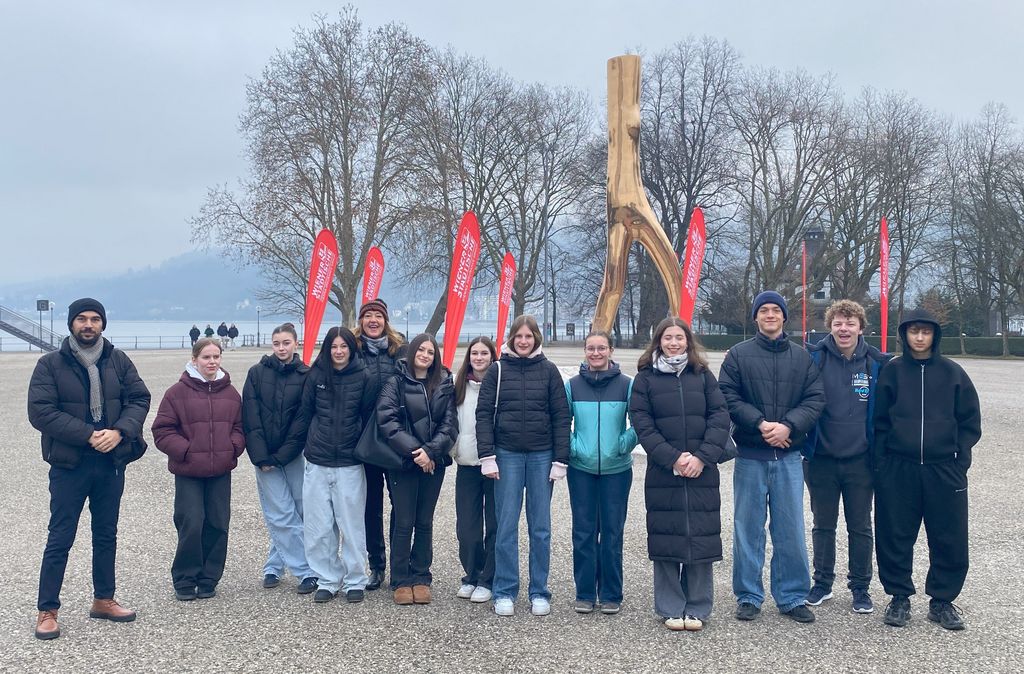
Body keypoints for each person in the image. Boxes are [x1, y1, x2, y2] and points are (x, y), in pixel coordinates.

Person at [28, 298, 151, 640]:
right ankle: (47, 610)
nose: (88, 324)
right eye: (81, 318)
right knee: (60, 536)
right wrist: (87, 434)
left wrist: (120, 431)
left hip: (110, 462)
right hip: (70, 463)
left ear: (103, 324)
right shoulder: (50, 364)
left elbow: (139, 398)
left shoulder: (118, 360)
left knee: (106, 533)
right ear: (71, 324)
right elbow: (41, 411)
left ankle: (104, 599)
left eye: (95, 319)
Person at [718, 290, 825, 623]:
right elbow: (727, 395)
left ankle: (792, 596)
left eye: (775, 310)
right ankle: (748, 595)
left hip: (789, 457)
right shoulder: (738, 355)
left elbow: (815, 399)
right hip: (751, 455)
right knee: (748, 529)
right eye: (763, 310)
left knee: (790, 529)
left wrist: (789, 426)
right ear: (755, 317)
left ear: (783, 317)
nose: (769, 315)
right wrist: (761, 423)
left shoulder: (802, 358)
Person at [873, 309, 981, 631]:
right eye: (914, 331)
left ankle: (942, 601)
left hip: (943, 469)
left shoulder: (953, 373)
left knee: (949, 536)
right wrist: (883, 462)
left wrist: (960, 460)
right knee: (894, 534)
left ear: (935, 335)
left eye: (926, 331)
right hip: (899, 468)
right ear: (905, 335)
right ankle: (899, 597)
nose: (919, 337)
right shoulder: (892, 373)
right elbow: (879, 421)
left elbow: (969, 421)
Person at [629, 318, 730, 631]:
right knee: (666, 537)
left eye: (679, 338)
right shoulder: (645, 379)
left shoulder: (703, 375)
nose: (674, 343)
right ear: (658, 341)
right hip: (664, 472)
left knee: (701, 536)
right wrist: (672, 458)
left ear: (688, 341)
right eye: (668, 338)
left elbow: (719, 417)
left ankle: (698, 606)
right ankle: (670, 606)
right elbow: (643, 424)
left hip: (702, 470)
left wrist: (702, 457)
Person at [476, 315, 571, 617]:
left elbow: (561, 416)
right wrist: (487, 456)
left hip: (542, 456)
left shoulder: (549, 371)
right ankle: (505, 590)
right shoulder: (497, 370)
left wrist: (560, 460)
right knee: (506, 526)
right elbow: (483, 414)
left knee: (540, 528)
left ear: (536, 338)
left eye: (529, 336)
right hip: (507, 455)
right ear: (512, 338)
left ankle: (539, 591)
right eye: (519, 336)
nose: (524, 341)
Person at [803, 300, 891, 614]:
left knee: (860, 526)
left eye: (850, 323)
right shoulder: (813, 358)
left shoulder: (878, 363)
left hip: (861, 461)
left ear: (861, 328)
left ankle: (860, 588)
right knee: (823, 525)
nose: (844, 329)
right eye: (838, 323)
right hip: (821, 459)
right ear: (830, 326)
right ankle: (822, 583)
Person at [152, 338, 245, 601]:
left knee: (218, 524)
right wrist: (186, 451)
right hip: (189, 471)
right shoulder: (176, 393)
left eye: (216, 356)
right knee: (191, 523)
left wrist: (232, 447)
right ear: (194, 360)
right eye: (206, 357)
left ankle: (208, 577)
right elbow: (162, 430)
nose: (212, 362)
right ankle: (185, 578)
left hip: (220, 471)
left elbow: (240, 427)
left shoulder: (231, 393)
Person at [377, 333, 458, 605]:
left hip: (433, 463)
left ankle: (421, 575)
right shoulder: (395, 382)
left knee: (424, 521)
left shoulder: (444, 383)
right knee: (404, 521)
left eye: (430, 352)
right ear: (412, 352)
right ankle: (400, 578)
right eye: (421, 350)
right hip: (404, 463)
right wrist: (417, 453)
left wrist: (431, 451)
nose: (425, 355)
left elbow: (450, 424)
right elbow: (388, 422)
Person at [299, 326, 376, 604]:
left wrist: (358, 448)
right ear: (327, 348)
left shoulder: (364, 376)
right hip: (317, 460)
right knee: (318, 526)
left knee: (351, 525)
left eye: (344, 346)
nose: (339, 351)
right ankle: (328, 579)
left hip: (349, 463)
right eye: (334, 346)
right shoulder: (316, 375)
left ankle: (355, 579)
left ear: (351, 349)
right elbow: (305, 412)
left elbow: (368, 417)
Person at [565, 331, 637, 615]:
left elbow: (639, 421)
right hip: (581, 469)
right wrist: (574, 448)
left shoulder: (626, 385)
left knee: (612, 533)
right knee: (583, 532)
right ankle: (584, 593)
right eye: (591, 348)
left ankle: (611, 593)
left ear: (611, 350)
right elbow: (562, 422)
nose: (596, 353)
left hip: (616, 470)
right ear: (585, 351)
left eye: (601, 348)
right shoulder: (572, 386)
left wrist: (623, 444)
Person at [242, 322, 317, 595]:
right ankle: (305, 571)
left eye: (286, 343)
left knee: (299, 510)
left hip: (294, 454)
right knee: (281, 513)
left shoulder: (306, 375)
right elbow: (250, 416)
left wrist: (284, 454)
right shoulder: (256, 373)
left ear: (296, 343)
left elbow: (303, 420)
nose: (281, 348)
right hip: (264, 456)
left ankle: (274, 565)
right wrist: (261, 456)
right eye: (276, 343)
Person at [353, 298, 407, 591]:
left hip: (396, 439)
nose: (373, 320)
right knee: (370, 506)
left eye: (378, 316)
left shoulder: (400, 351)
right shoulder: (353, 351)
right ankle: (376, 564)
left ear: (386, 321)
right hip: (366, 440)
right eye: (368, 316)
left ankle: (400, 563)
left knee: (400, 504)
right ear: (361, 321)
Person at [452, 336, 499, 604]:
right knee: (467, 528)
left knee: (494, 525)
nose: (479, 358)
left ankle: (488, 579)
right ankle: (472, 573)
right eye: (474, 353)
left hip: (495, 466)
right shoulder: (458, 387)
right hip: (467, 464)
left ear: (492, 357)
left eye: (484, 353)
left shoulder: (500, 385)